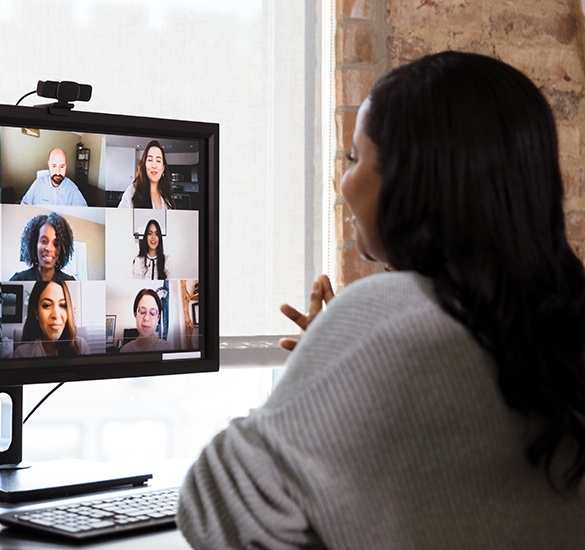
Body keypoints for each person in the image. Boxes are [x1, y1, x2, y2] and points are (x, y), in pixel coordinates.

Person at [177, 52, 585, 549]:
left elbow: (215, 507)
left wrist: (325, 364)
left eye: (352, 157)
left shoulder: (391, 312)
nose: (342, 181)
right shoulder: (562, 317)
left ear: (410, 178)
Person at [12, 281, 89, 357]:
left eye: (62, 305)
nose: (56, 315)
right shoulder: (21, 353)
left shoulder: (80, 347)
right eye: (46, 305)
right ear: (36, 311)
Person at [10, 212, 75, 281]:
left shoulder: (69, 281)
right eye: (44, 241)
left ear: (62, 249)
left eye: (56, 244)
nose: (49, 248)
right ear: (35, 243)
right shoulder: (18, 280)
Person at [118, 140, 175, 209]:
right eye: (150, 160)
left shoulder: (167, 195)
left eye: (158, 161)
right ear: (144, 165)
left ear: (163, 168)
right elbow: (121, 218)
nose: (154, 166)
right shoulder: (133, 192)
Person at [21, 148, 88, 207]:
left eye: (62, 167)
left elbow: (84, 213)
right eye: (54, 166)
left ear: (66, 167)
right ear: (48, 165)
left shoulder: (72, 189)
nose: (58, 173)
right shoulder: (38, 184)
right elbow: (24, 205)